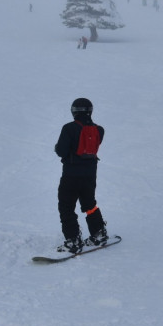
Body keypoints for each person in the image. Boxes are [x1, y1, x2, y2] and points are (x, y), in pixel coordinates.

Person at [54, 98, 109, 253]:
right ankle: (98, 233)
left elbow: (61, 151)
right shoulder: (99, 130)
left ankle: (73, 240)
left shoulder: (69, 128)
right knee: (89, 204)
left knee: (66, 207)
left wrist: (57, 147)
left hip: (71, 174)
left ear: (74, 111)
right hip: (90, 174)